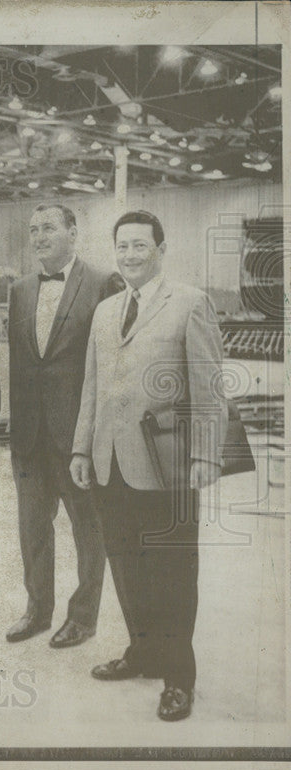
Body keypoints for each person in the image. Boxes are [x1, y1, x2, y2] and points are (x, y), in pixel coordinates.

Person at [70, 210, 225, 722]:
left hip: (168, 465)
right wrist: (80, 450)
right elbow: (92, 385)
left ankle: (179, 678)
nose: (130, 254)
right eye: (123, 246)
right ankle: (142, 652)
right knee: (126, 566)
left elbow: (208, 389)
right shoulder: (106, 310)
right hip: (109, 463)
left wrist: (205, 454)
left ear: (161, 248)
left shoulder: (190, 302)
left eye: (140, 245)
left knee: (174, 573)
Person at [6, 204, 122, 648]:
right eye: (33, 230)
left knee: (87, 529)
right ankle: (37, 610)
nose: (39, 237)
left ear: (74, 233)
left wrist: (96, 435)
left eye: (48, 228)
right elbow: (20, 362)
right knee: (32, 527)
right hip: (29, 435)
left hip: (78, 435)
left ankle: (84, 617)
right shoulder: (19, 290)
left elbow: (112, 363)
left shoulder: (102, 283)